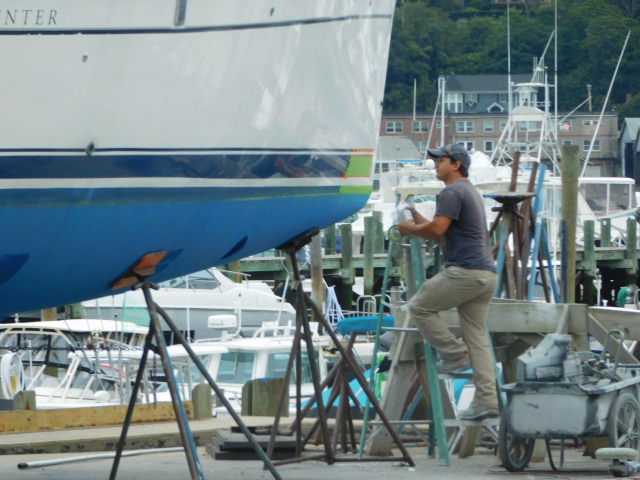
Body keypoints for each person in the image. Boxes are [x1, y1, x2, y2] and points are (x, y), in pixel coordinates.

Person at [397, 144, 499, 421]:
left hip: (465, 272)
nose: (435, 164)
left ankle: (455, 354)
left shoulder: (451, 192)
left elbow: (438, 229)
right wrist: (419, 221)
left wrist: (408, 229)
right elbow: (441, 234)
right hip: (486, 275)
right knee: (477, 336)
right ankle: (487, 399)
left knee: (419, 307)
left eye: (441, 160)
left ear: (456, 165)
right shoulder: (469, 191)